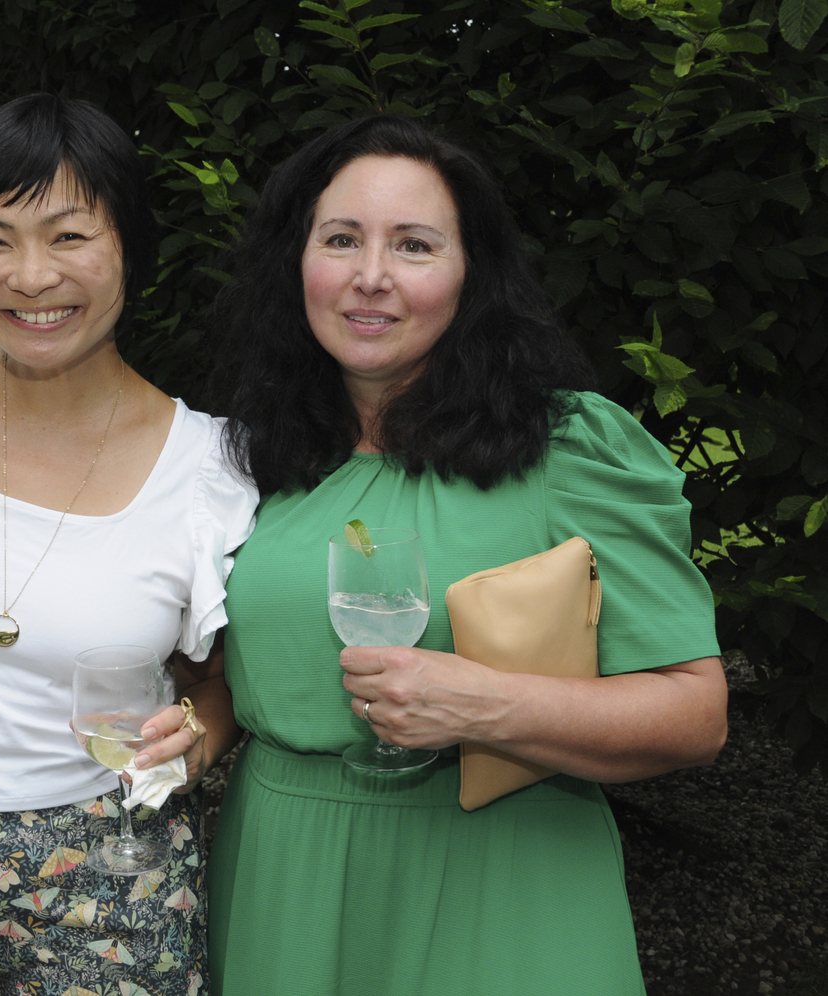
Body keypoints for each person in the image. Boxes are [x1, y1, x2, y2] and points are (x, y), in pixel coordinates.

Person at [203, 115, 729, 994]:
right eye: (341, 240)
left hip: (500, 881)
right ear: (297, 263)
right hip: (285, 876)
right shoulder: (252, 461)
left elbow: (695, 713)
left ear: (470, 272)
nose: (371, 278)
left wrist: (488, 707)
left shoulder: (568, 448)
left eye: (414, 245)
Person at [0, 93, 257, 996]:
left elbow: (215, 688)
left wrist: (194, 735)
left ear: (131, 253)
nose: (31, 276)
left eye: (70, 237)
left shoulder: (206, 469)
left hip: (108, 878)